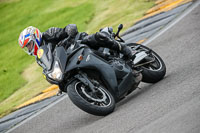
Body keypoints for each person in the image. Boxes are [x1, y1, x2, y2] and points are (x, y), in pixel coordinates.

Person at [18, 24, 135, 60]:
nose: (29, 48)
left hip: (78, 43)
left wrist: (69, 30)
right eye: (27, 47)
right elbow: (48, 68)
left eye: (29, 44)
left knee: (97, 37)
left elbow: (66, 29)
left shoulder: (49, 34)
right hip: (71, 60)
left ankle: (124, 48)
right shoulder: (40, 56)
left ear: (35, 37)